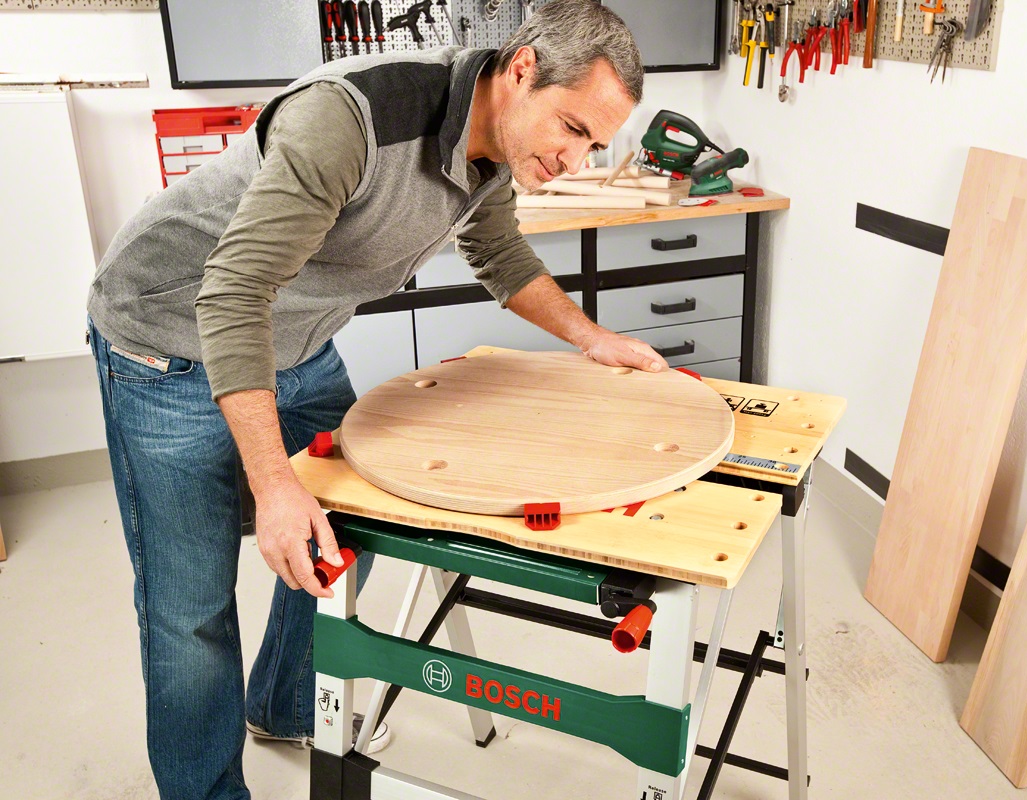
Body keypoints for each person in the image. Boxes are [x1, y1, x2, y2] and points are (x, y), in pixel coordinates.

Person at [85, 1, 666, 796]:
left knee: (349, 531)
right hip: (167, 339)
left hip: (295, 341)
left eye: (594, 143)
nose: (575, 158)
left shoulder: (500, 146)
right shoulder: (349, 118)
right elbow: (233, 293)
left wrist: (590, 337)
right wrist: (275, 485)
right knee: (191, 613)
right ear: (523, 69)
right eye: (572, 128)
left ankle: (287, 703)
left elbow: (497, 249)